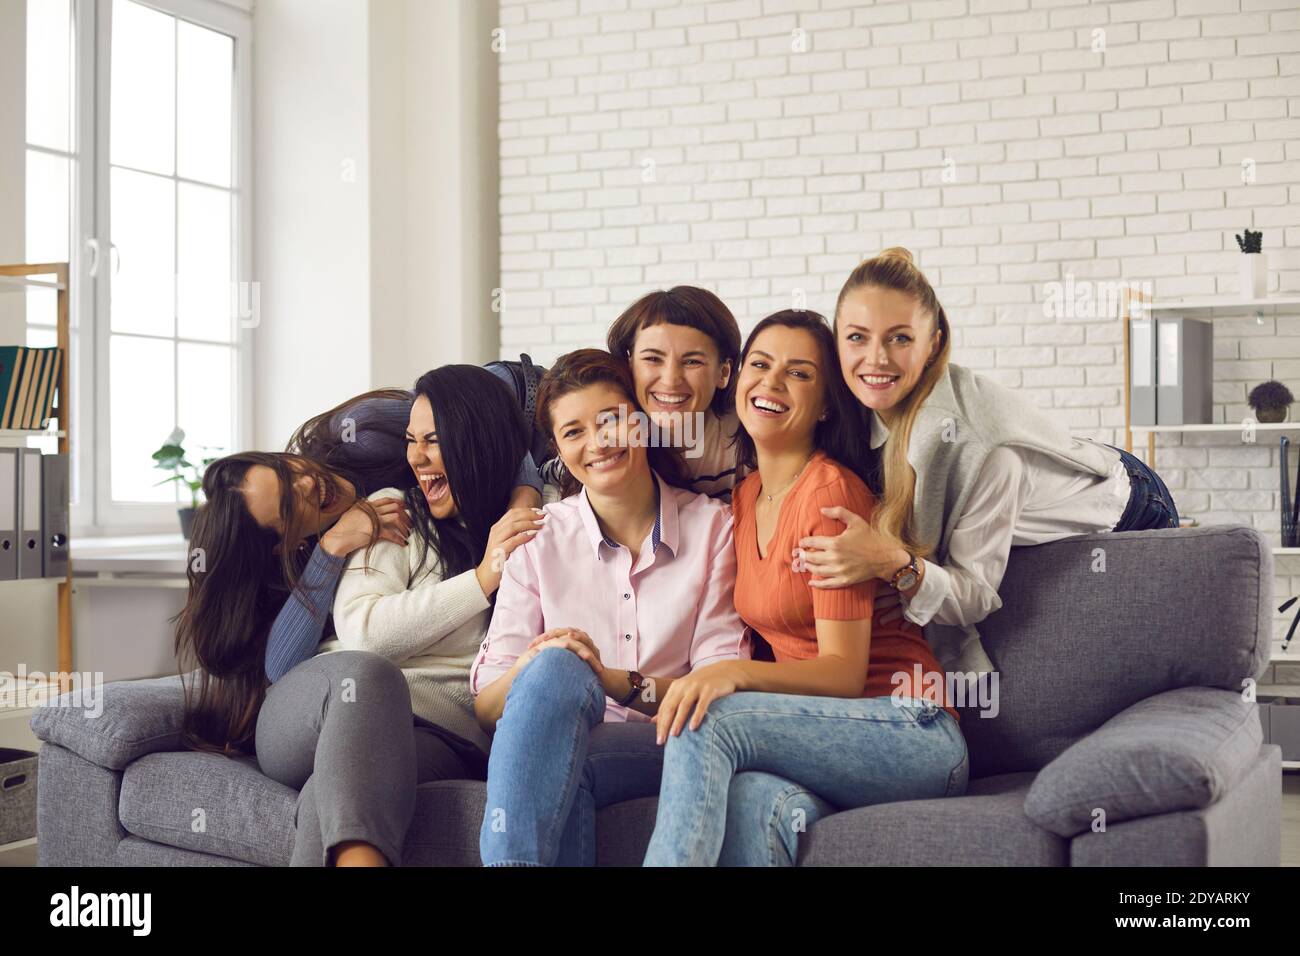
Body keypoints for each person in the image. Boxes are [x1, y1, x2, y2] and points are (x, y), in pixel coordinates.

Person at [175, 371, 543, 866]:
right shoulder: (380, 519)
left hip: (423, 729)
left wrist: (525, 494)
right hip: (315, 710)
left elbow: (494, 403)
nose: (308, 483)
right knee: (368, 678)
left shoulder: (365, 431)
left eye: (287, 470)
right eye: (291, 504)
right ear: (287, 543)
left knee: (336, 786)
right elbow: (315, 658)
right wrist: (331, 549)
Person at [642, 310, 967, 867]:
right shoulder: (743, 499)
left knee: (705, 714)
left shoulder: (829, 496)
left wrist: (730, 674)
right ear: (738, 379)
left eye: (798, 374)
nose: (770, 383)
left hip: (911, 729)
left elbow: (842, 672)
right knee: (756, 802)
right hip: (828, 741)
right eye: (760, 365)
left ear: (823, 406)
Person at [798, 247, 1178, 673]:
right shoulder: (859, 406)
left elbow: (974, 596)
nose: (876, 358)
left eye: (900, 338)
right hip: (1060, 458)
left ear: (933, 344)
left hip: (1131, 503)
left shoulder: (986, 452)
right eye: (857, 337)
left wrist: (894, 564)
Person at [470, 348, 750, 866]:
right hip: (560, 738)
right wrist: (539, 665)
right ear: (557, 448)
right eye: (573, 432)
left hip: (670, 744)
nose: (597, 443)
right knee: (557, 664)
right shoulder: (537, 539)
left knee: (567, 724)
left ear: (641, 422)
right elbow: (488, 706)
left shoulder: (715, 529)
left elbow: (716, 692)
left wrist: (614, 679)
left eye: (611, 421)